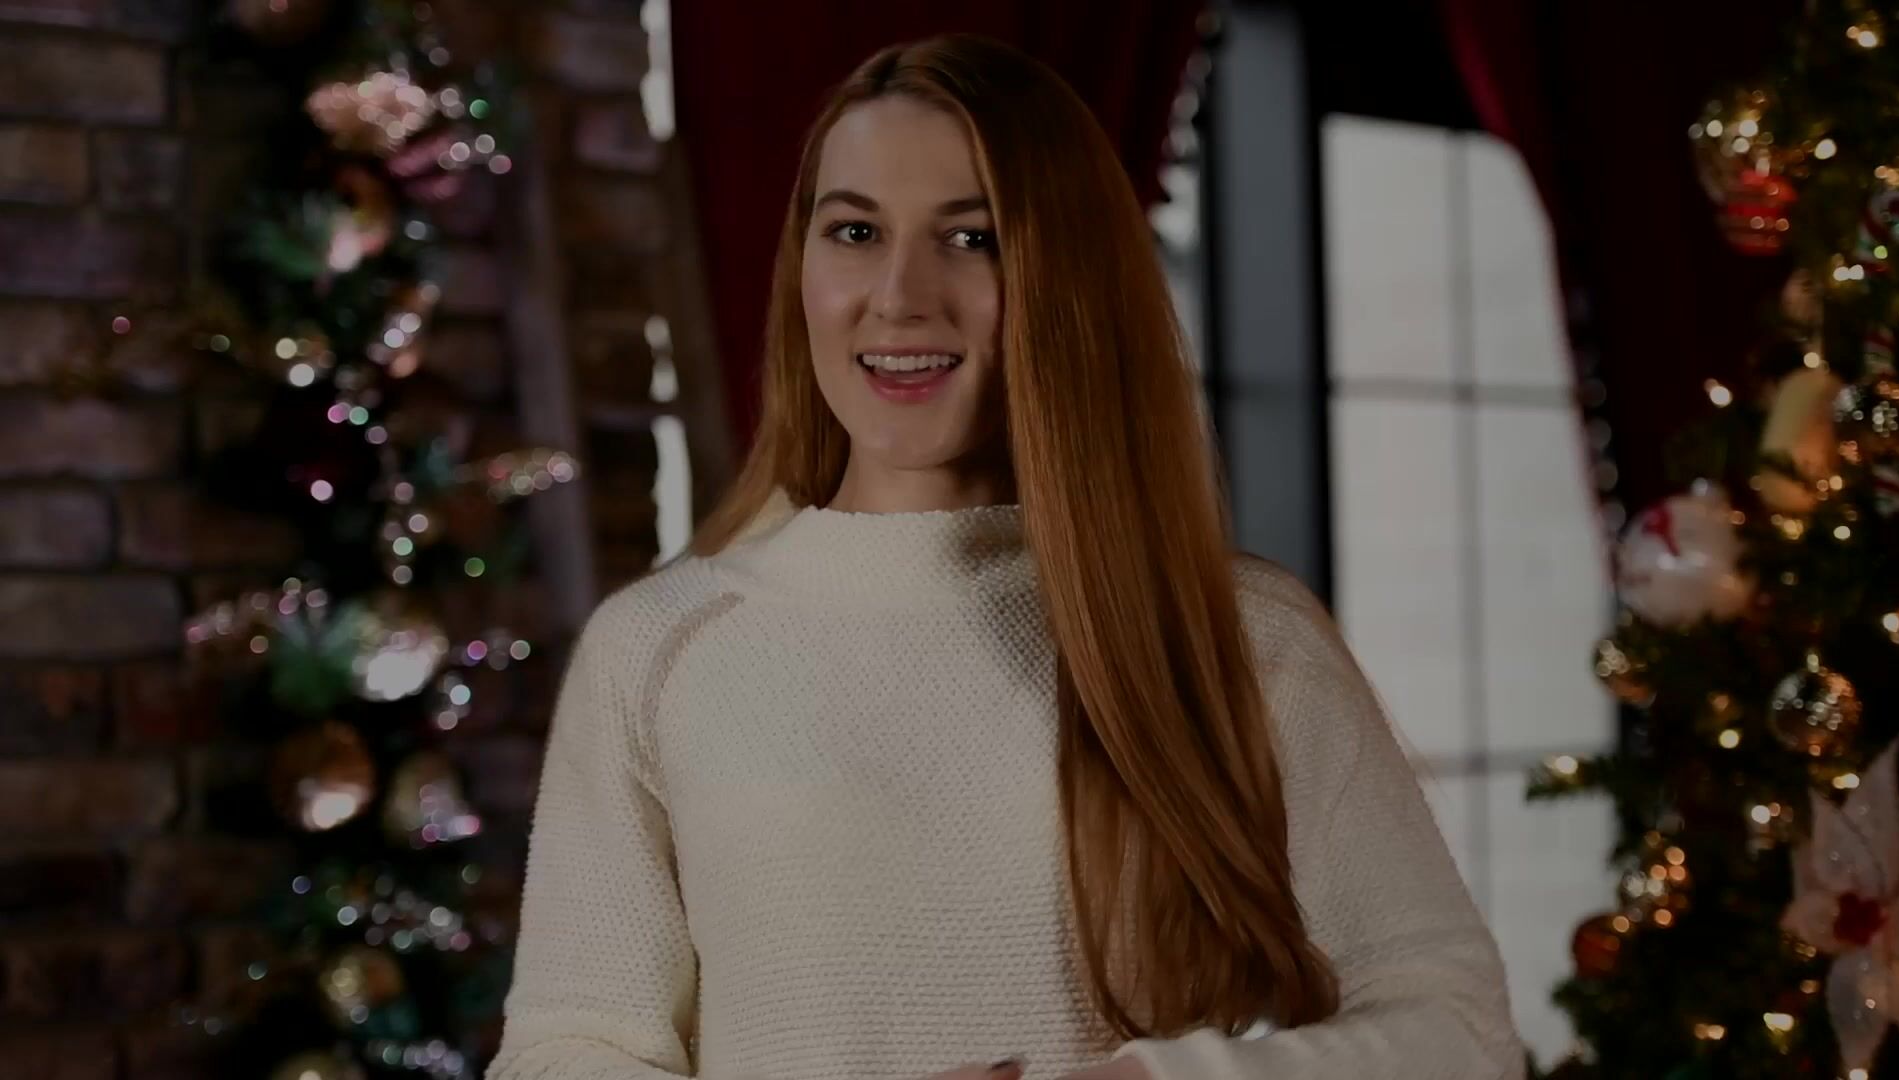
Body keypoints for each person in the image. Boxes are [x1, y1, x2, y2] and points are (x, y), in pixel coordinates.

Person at [487, 33, 1523, 1080]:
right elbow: (563, 1055)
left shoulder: (1236, 636)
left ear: (1067, 277)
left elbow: (1458, 1033)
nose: (900, 295)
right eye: (855, 231)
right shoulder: (660, 648)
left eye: (971, 237)